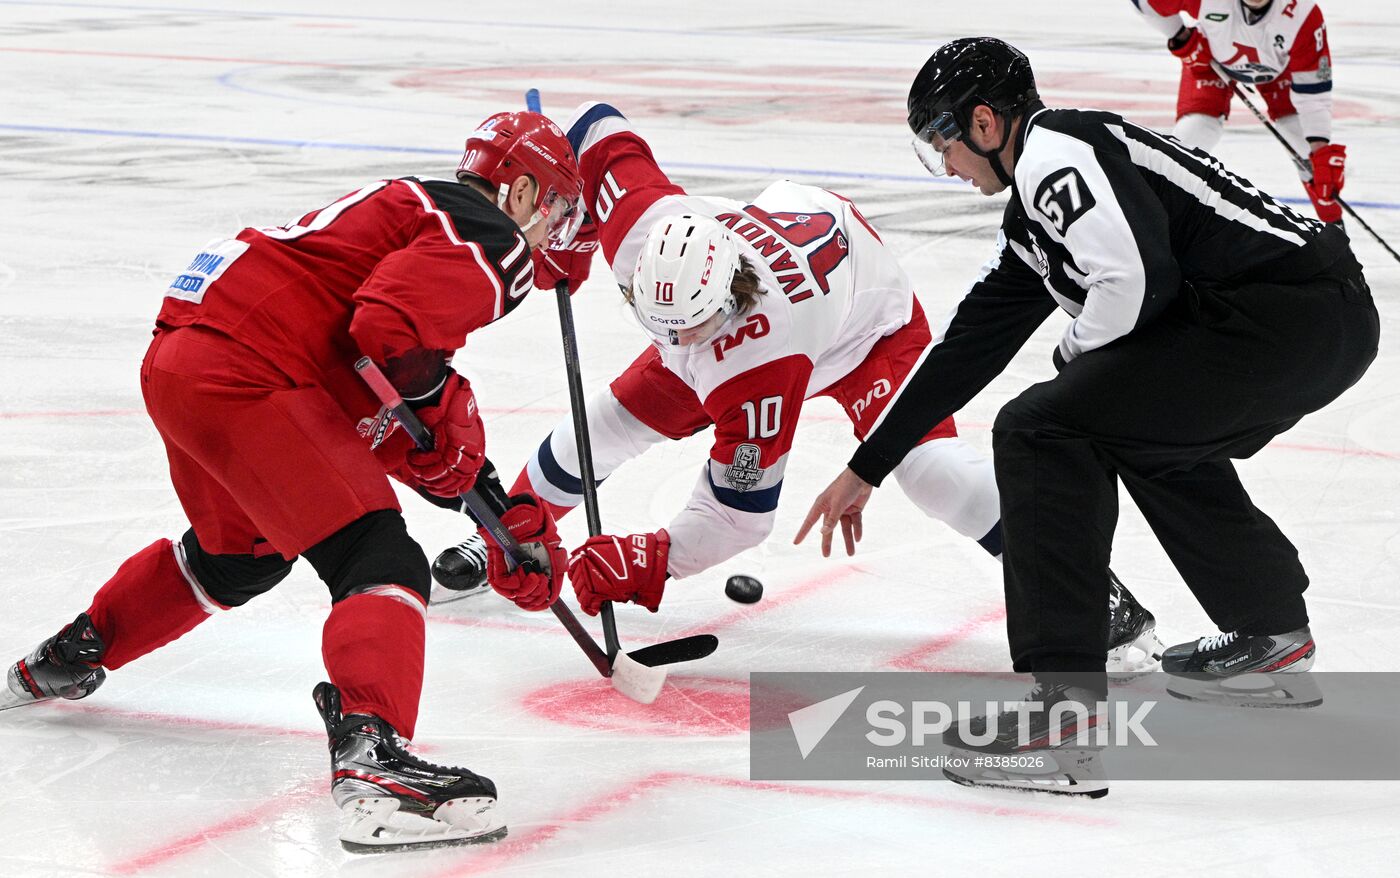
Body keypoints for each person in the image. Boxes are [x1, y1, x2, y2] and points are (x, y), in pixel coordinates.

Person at [797, 37, 1378, 796]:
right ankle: (1272, 637)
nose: (944, 165)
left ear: (982, 123)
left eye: (941, 142)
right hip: (1313, 318)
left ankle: (1062, 717)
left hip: (1282, 315)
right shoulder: (1036, 213)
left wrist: (1073, 363)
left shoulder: (1056, 152)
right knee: (1139, 429)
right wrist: (866, 467)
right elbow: (967, 350)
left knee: (1039, 428)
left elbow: (1135, 281)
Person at [1, 111, 585, 851]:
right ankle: (374, 763)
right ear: (525, 192)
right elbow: (388, 335)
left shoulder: (416, 209)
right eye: (556, 212)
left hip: (190, 359)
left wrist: (494, 511)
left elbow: (368, 383)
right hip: (251, 367)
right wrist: (439, 405)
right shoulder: (489, 233)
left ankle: (69, 656)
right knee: (379, 559)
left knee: (241, 557)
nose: (551, 235)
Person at [436, 100, 1164, 674]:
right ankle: (502, 534)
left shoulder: (759, 371)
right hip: (785, 270)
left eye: (685, 333)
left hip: (868, 330)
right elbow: (595, 126)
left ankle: (1088, 592)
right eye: (645, 316)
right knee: (609, 422)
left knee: (932, 472)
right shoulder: (647, 229)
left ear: (722, 307)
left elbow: (738, 517)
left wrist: (645, 558)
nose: (671, 346)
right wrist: (565, 224)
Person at [1132, 0, 1346, 223]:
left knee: (1305, 147)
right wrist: (1181, 35)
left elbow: (1313, 96)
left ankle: (1334, 228)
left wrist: (1319, 152)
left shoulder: (1303, 14)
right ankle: (1155, 222)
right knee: (1194, 133)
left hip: (1280, 72)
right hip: (1211, 62)